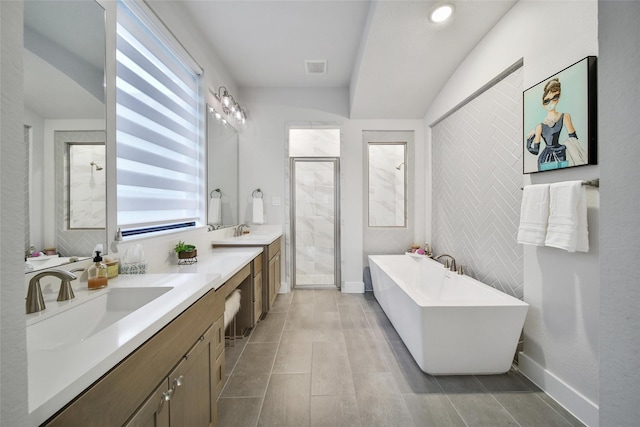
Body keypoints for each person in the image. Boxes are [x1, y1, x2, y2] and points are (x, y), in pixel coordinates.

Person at [526, 78, 585, 171]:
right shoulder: (539, 127)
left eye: (555, 98)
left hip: (560, 154)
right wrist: (531, 138)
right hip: (545, 158)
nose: (551, 103)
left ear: (559, 97)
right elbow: (535, 151)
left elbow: (574, 139)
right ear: (543, 103)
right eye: (547, 101)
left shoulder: (564, 117)